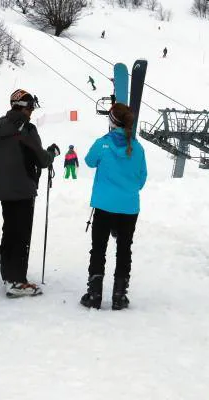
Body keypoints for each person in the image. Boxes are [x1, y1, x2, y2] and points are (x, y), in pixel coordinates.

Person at [0, 89, 58, 298]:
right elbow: (42, 159)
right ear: (26, 108)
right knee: (21, 234)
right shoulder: (26, 129)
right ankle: (17, 280)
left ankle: (8, 274)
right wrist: (52, 153)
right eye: (31, 108)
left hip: (4, 189)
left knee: (9, 230)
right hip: (24, 188)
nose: (32, 112)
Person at [80, 103, 147, 311]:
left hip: (104, 205)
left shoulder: (103, 144)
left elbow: (89, 161)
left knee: (99, 248)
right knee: (124, 248)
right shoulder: (137, 148)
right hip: (129, 206)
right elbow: (141, 179)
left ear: (111, 121)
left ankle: (95, 294)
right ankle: (119, 295)